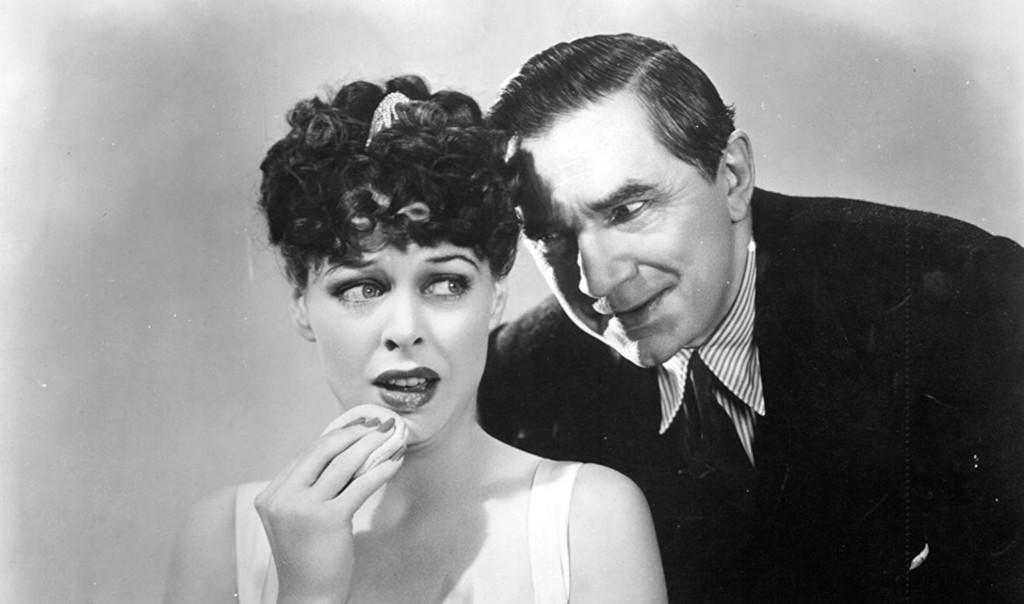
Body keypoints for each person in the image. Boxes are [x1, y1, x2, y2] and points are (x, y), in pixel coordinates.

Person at [479, 33, 1024, 602]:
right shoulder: (512, 386)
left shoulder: (966, 302)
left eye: (627, 210)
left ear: (734, 177)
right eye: (551, 236)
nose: (596, 281)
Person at [164, 75, 668, 604]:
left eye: (446, 284)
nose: (405, 330)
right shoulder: (223, 541)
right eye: (362, 288)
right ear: (301, 305)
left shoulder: (587, 519)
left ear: (495, 296)